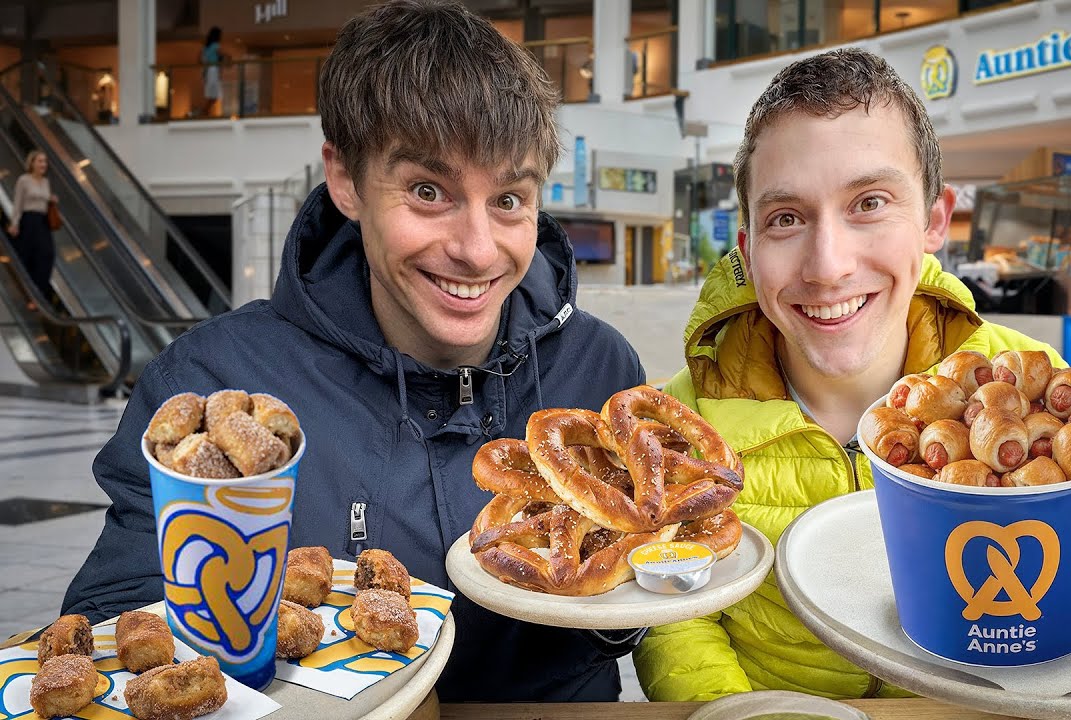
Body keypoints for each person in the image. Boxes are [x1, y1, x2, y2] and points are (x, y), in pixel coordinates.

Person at [633, 48, 1071, 719]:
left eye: (869, 203)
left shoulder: (1034, 390)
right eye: (786, 217)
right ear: (749, 245)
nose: (827, 265)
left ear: (933, 221)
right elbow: (679, 614)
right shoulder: (681, 422)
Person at [62, 0, 647, 702]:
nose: (477, 249)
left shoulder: (599, 372)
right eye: (429, 192)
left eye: (510, 200)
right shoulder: (214, 388)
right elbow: (121, 623)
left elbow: (630, 607)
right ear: (345, 180)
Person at [7, 149, 57, 299]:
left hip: (42, 222)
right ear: (32, 163)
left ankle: (38, 293)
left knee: (48, 254)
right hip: (28, 221)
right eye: (40, 161)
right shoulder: (24, 180)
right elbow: (18, 203)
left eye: (45, 161)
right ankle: (27, 294)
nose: (43, 164)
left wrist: (51, 199)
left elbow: (45, 202)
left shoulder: (46, 182)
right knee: (28, 257)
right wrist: (14, 223)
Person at [200, 26, 224, 117]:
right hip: (213, 70)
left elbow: (203, 59)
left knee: (212, 94)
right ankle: (204, 111)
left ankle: (205, 111)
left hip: (208, 70)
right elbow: (220, 55)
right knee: (214, 94)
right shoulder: (215, 45)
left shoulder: (206, 47)